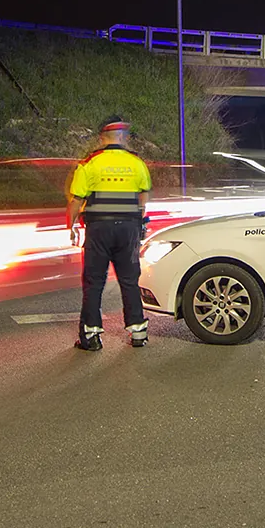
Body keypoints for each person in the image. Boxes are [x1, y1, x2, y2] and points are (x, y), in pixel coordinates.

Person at [67, 115, 153, 351]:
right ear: (123, 137)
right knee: (129, 281)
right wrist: (140, 220)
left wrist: (71, 225)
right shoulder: (137, 163)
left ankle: (91, 336)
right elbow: (144, 193)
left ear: (102, 137)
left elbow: (77, 200)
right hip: (128, 229)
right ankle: (138, 332)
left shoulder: (90, 163)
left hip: (99, 229)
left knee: (94, 282)